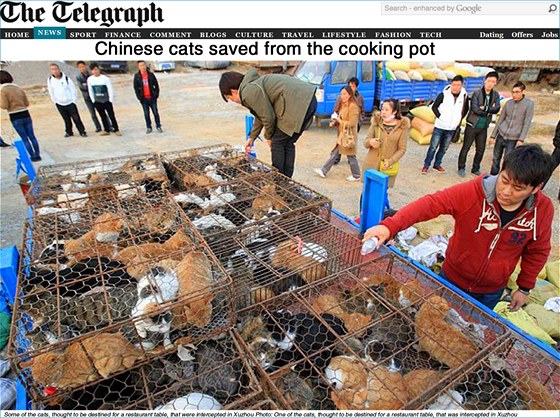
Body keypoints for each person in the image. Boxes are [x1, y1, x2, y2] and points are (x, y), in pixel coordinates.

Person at [364, 144, 553, 311]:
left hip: (491, 291)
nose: (506, 191)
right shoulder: (474, 192)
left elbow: (537, 251)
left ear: (536, 188)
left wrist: (524, 288)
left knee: (471, 334)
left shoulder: (542, 210)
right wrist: (390, 226)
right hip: (452, 280)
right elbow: (432, 204)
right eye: (504, 180)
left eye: (518, 188)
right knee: (439, 322)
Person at [219, 69, 317, 178]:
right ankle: (286, 180)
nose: (232, 100)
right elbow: (260, 114)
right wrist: (252, 138)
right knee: (287, 142)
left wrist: (269, 136)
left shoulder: (248, 92)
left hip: (296, 103)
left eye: (229, 97)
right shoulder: (253, 83)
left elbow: (268, 117)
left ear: (233, 91)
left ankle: (278, 181)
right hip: (309, 100)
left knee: (277, 143)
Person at [422, 75, 469, 174]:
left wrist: (458, 120)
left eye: (458, 85)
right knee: (433, 147)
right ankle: (426, 165)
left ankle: (437, 164)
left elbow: (465, 110)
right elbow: (434, 107)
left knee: (444, 148)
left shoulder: (464, 96)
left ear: (462, 85)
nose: (455, 87)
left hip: (452, 128)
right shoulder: (443, 95)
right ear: (451, 84)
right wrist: (440, 116)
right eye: (454, 84)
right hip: (440, 126)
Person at [458, 71, 500, 177]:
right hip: (472, 125)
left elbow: (497, 108)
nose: (490, 83)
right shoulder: (477, 93)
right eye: (489, 81)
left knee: (481, 149)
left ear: (495, 83)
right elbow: (475, 109)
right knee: (466, 147)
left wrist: (485, 108)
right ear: (485, 81)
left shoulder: (495, 95)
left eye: (493, 81)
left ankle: (475, 168)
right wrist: (490, 110)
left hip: (483, 127)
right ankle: (461, 167)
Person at [314, 86, 361, 182]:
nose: (342, 96)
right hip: (342, 134)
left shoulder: (353, 107)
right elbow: (341, 118)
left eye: (344, 94)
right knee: (336, 152)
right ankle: (324, 170)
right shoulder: (344, 105)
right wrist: (335, 122)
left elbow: (352, 123)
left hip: (348, 135)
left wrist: (340, 121)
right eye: (341, 94)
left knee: (350, 155)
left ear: (349, 95)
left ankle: (356, 175)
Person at [489, 81, 534, 175]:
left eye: (517, 92)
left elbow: (527, 123)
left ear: (523, 91)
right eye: (513, 92)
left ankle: (502, 178)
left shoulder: (529, 104)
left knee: (507, 160)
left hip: (513, 138)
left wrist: (521, 139)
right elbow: (500, 119)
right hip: (501, 134)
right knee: (496, 158)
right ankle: (493, 176)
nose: (514, 94)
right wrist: (493, 136)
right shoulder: (508, 103)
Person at [362, 98, 409, 188]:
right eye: (382, 109)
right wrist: (370, 142)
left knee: (382, 194)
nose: (383, 112)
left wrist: (390, 161)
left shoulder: (402, 127)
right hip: (372, 165)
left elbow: (402, 149)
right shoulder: (376, 123)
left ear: (394, 111)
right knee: (367, 193)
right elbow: (365, 142)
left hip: (387, 167)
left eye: (387, 110)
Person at [0, 70, 41, 161]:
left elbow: (4, 105)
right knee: (32, 136)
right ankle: (37, 155)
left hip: (15, 116)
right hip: (25, 113)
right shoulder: (18, 88)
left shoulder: (3, 90)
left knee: (24, 138)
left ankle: (32, 156)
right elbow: (26, 103)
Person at [47, 63, 87, 138]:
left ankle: (82, 131)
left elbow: (73, 90)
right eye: (52, 69)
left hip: (70, 103)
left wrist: (73, 101)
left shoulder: (66, 78)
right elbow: (51, 91)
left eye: (56, 69)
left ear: (59, 69)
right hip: (59, 103)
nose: (55, 71)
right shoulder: (50, 80)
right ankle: (69, 132)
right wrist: (55, 101)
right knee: (66, 119)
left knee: (76, 118)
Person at [333, 77, 365, 165]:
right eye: (350, 86)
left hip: (352, 126)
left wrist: (358, 123)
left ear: (356, 87)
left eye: (353, 86)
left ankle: (353, 168)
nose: (351, 88)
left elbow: (362, 112)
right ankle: (335, 160)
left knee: (350, 144)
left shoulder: (359, 98)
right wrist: (336, 120)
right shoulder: (342, 97)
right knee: (339, 143)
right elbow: (336, 110)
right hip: (342, 125)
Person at [87, 63, 122, 136]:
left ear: (99, 69)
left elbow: (110, 89)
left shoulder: (105, 78)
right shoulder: (90, 79)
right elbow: (90, 90)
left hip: (106, 100)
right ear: (91, 71)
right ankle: (106, 130)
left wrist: (110, 100)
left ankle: (116, 129)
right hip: (97, 101)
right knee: (102, 116)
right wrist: (93, 100)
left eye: (96, 69)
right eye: (93, 70)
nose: (95, 71)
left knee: (111, 115)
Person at [133, 60, 162, 134]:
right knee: (146, 114)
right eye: (141, 66)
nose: (143, 67)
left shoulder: (151, 75)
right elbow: (136, 88)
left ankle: (158, 126)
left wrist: (156, 95)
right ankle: (149, 127)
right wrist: (139, 97)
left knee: (155, 112)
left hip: (152, 98)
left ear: (145, 65)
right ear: (138, 67)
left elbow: (156, 85)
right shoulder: (137, 76)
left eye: (143, 65)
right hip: (144, 99)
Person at [76, 61, 102, 133]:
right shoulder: (78, 77)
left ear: (86, 66)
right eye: (80, 67)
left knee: (102, 112)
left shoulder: (91, 74)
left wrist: (87, 84)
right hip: (87, 98)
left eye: (83, 66)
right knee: (93, 114)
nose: (82, 68)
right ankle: (98, 127)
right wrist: (89, 85)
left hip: (96, 96)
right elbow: (81, 87)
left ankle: (108, 125)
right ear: (78, 68)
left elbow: (96, 84)